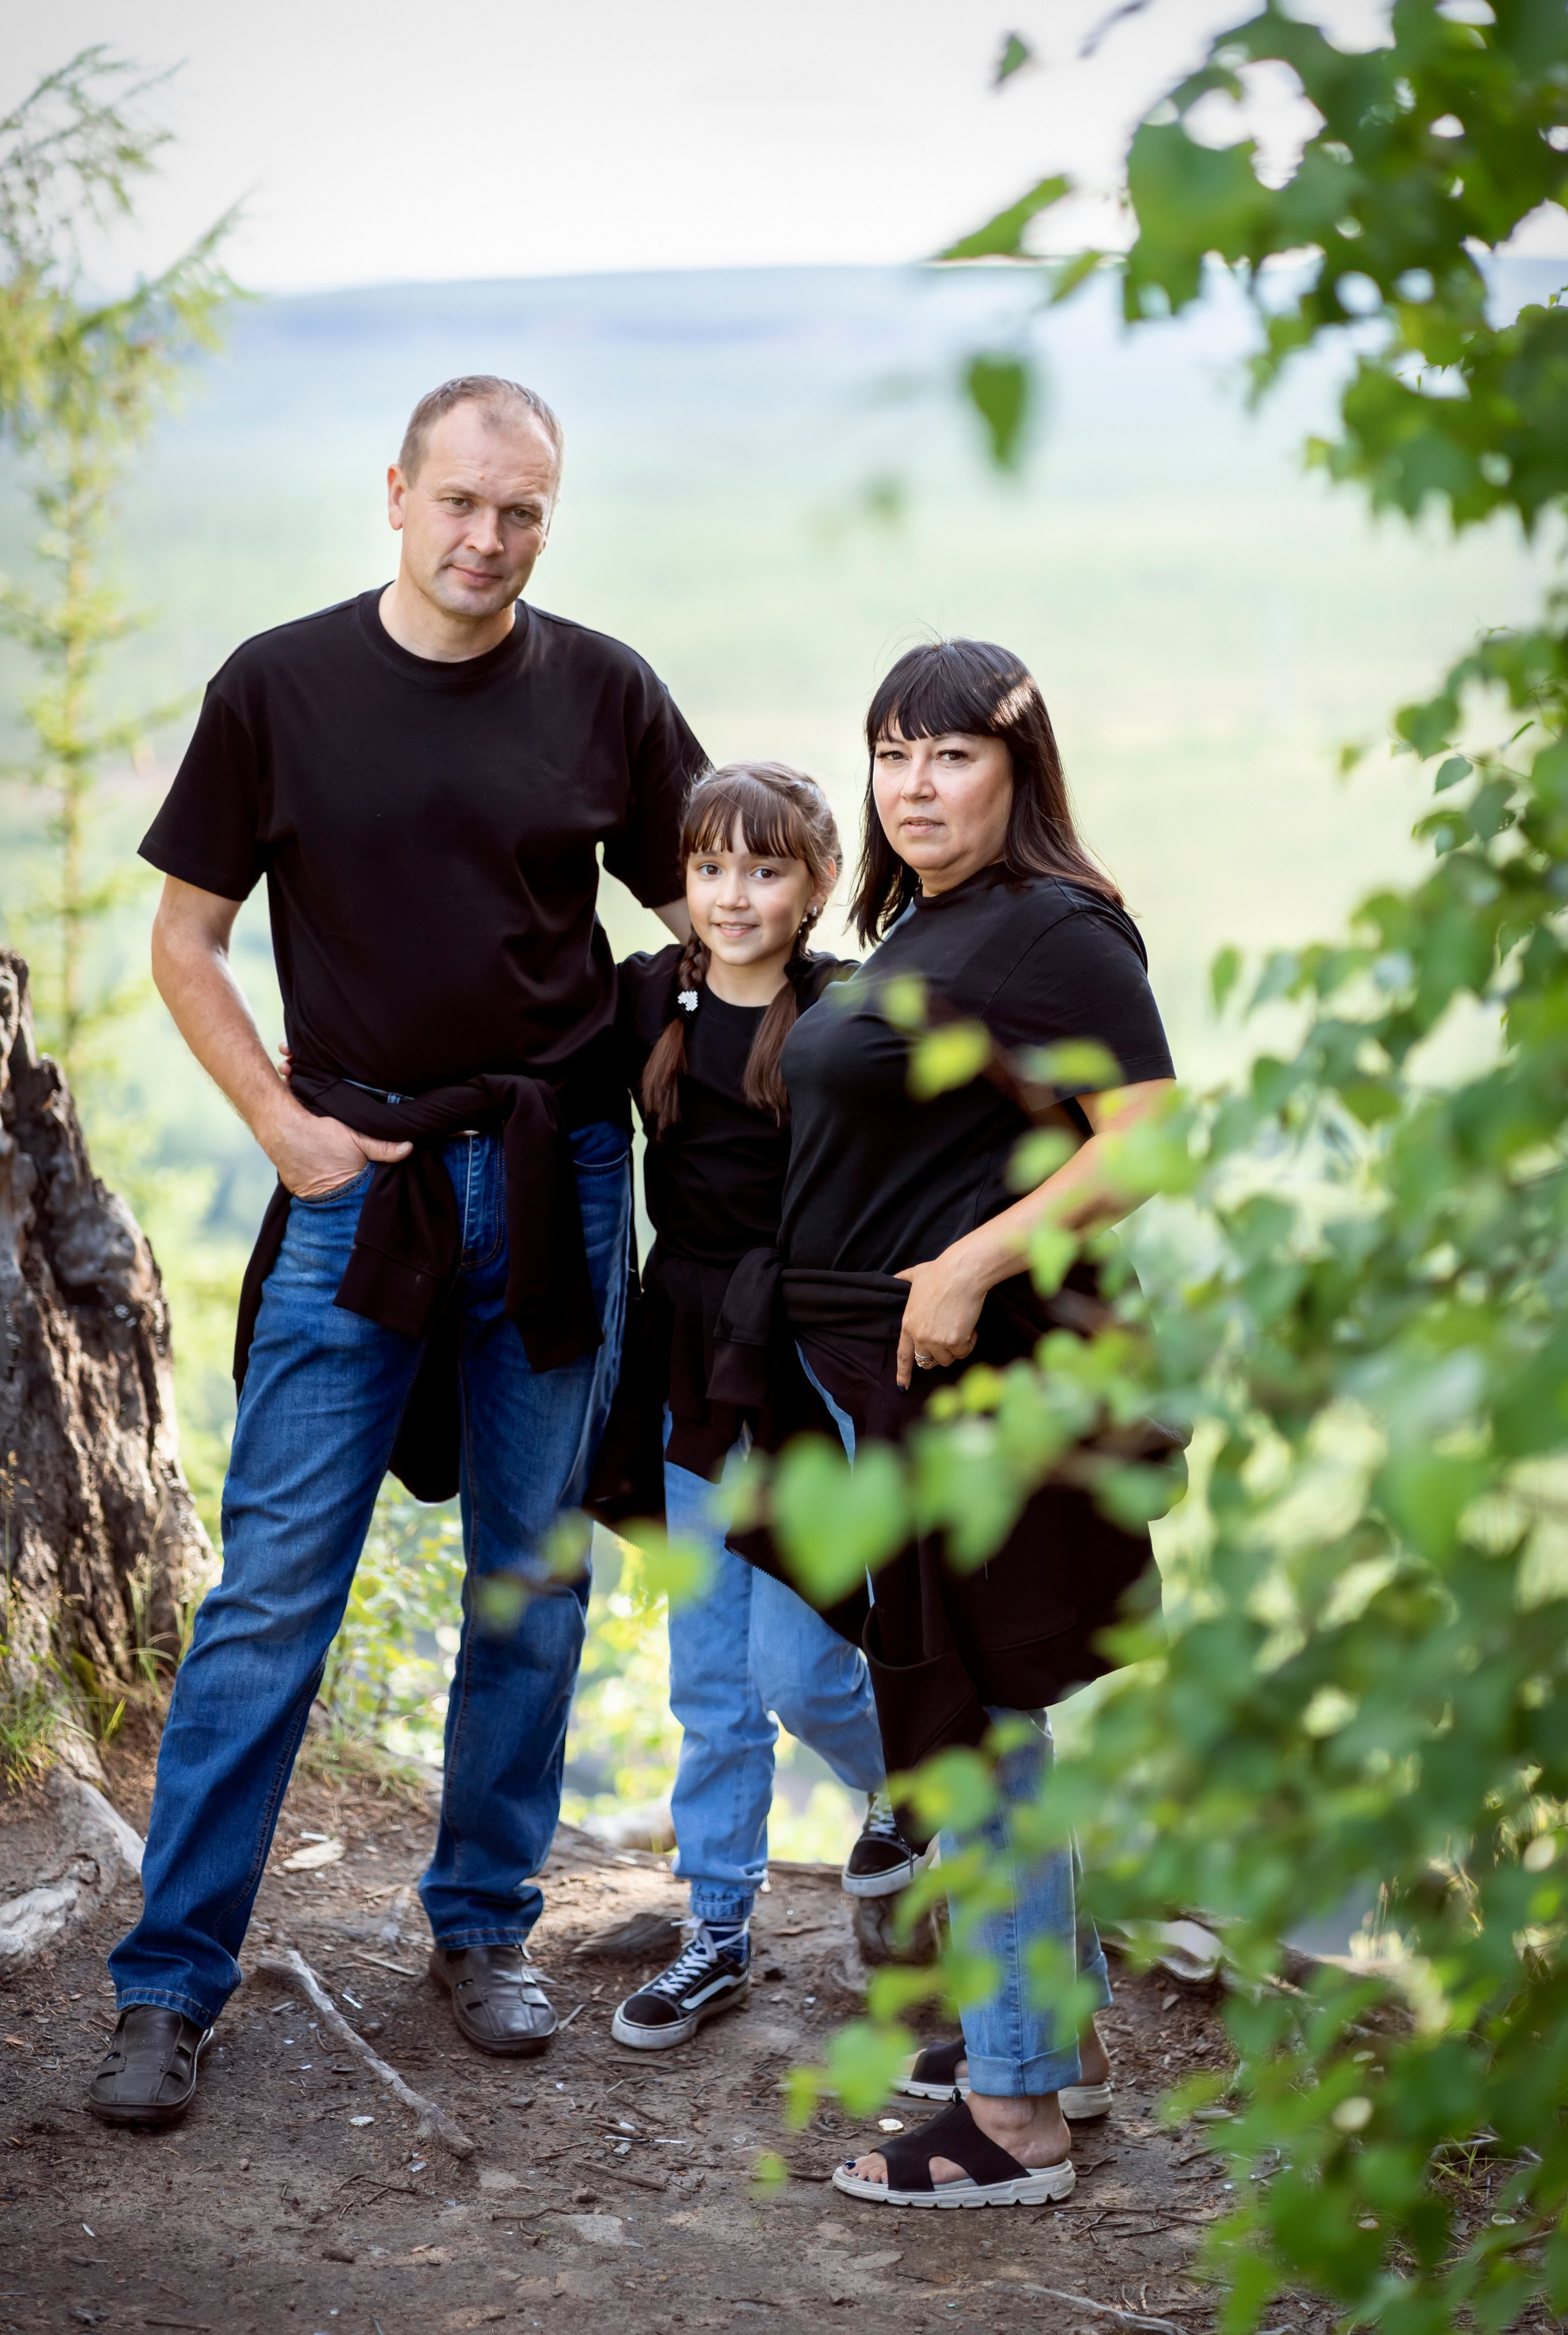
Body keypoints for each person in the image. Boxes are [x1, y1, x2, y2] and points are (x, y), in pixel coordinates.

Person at [87, 375, 706, 2129]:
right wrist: (283, 1128)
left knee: (533, 1576)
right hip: (357, 1180)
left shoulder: (604, 688)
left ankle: (485, 1925)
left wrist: (668, 1065)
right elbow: (189, 941)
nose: (488, 538)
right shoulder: (279, 687)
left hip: (556, 1174)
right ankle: (168, 1982)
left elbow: (711, 906)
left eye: (522, 513)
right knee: (274, 1590)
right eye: (461, 503)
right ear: (395, 493)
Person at [767, 638, 1177, 2207]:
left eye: (949, 755)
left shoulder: (1052, 928)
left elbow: (1140, 1140)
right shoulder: (924, 925)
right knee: (893, 1700)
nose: (914, 784)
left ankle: (1009, 2119)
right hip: (864, 1379)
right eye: (890, 754)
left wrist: (967, 1263)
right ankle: (1040, 2043)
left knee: (980, 1735)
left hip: (957, 1383)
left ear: (1018, 770)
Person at [608, 763, 922, 2053]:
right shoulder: (643, 999)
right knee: (709, 1679)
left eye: (764, 870)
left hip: (806, 1370)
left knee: (799, 1668)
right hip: (691, 1362)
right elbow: (510, 1044)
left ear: (816, 887)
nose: (732, 895)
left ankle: (911, 1792)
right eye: (710, 868)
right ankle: (718, 1932)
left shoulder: (848, 1012)